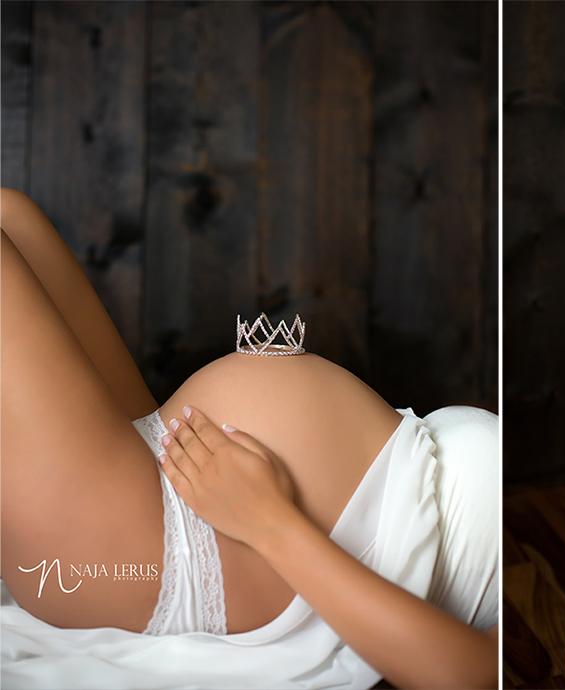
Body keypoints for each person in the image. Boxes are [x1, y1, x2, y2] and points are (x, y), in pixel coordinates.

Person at [0, 186, 499, 689]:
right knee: (9, 213)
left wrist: (270, 522)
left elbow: (468, 677)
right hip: (168, 459)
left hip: (170, 557)